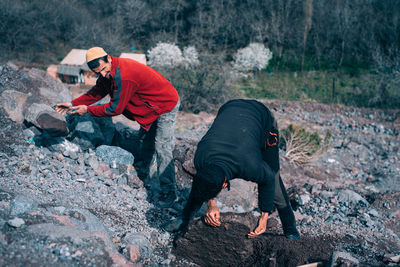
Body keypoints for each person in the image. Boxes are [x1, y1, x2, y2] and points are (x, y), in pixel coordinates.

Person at [56, 47, 180, 208]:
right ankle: (145, 170)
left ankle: (170, 192)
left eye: (103, 69)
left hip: (165, 105)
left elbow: (115, 109)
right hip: (150, 106)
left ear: (108, 58)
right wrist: (73, 103)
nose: (101, 74)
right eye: (97, 72)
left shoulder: (124, 75)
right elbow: (97, 92)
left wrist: (88, 110)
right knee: (147, 138)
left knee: (162, 147)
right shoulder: (108, 71)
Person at [179, 99, 300, 239]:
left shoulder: (249, 164)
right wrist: (211, 204)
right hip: (229, 108)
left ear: (225, 184)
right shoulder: (201, 157)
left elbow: (268, 179)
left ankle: (290, 226)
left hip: (261, 116)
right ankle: (184, 220)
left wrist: (264, 216)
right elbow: (202, 184)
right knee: (205, 183)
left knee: (274, 174)